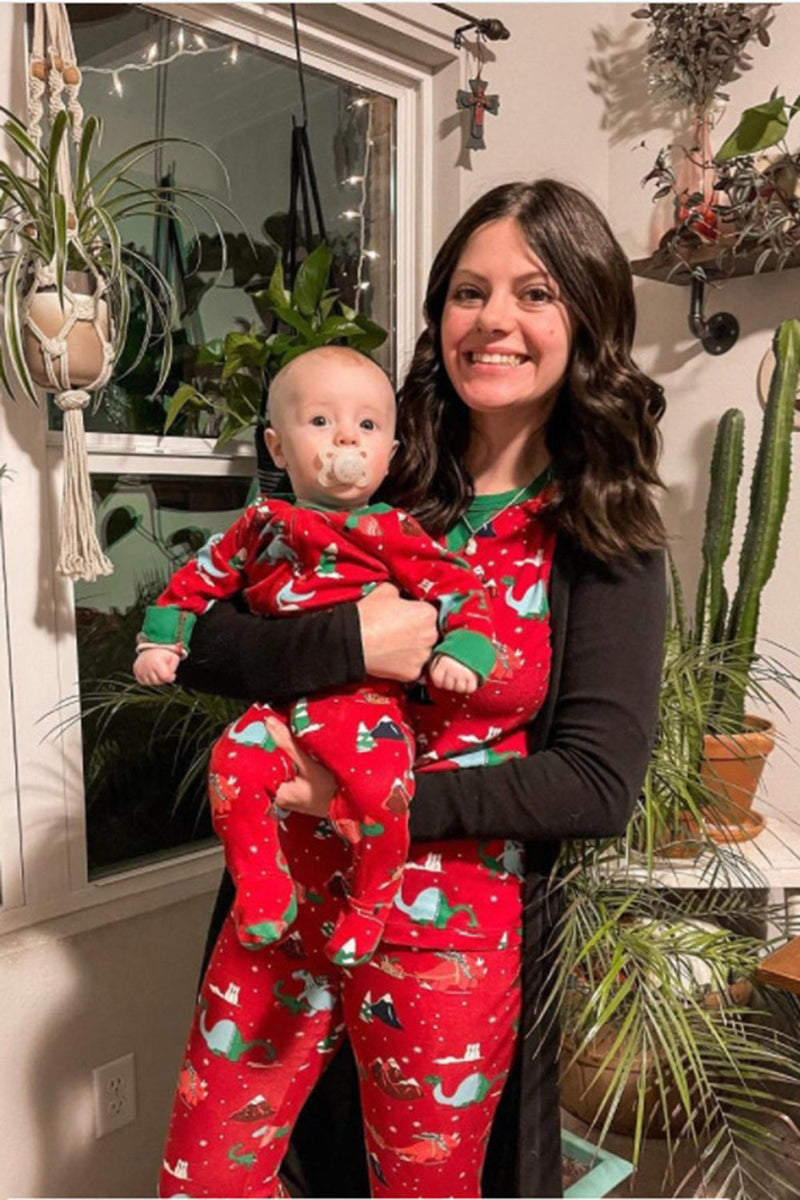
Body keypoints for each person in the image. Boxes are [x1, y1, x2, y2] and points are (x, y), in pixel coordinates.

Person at [166, 178, 668, 1199]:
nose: (492, 321)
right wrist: (348, 638)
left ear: (585, 316)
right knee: (215, 1176)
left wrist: (359, 802)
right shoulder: (368, 465)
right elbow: (205, 640)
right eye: (466, 292)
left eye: (532, 293)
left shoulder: (604, 532)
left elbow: (594, 783)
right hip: (283, 914)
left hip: (449, 935)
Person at [135, 346, 501, 966]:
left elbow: (460, 587)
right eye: (321, 422)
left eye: (366, 426)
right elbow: (198, 580)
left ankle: (371, 901)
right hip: (280, 710)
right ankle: (262, 886)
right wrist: (160, 637)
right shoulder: (260, 525)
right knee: (233, 763)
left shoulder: (393, 530)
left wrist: (464, 647)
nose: (345, 441)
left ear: (388, 455)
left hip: (364, 714)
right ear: (278, 449)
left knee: (384, 800)